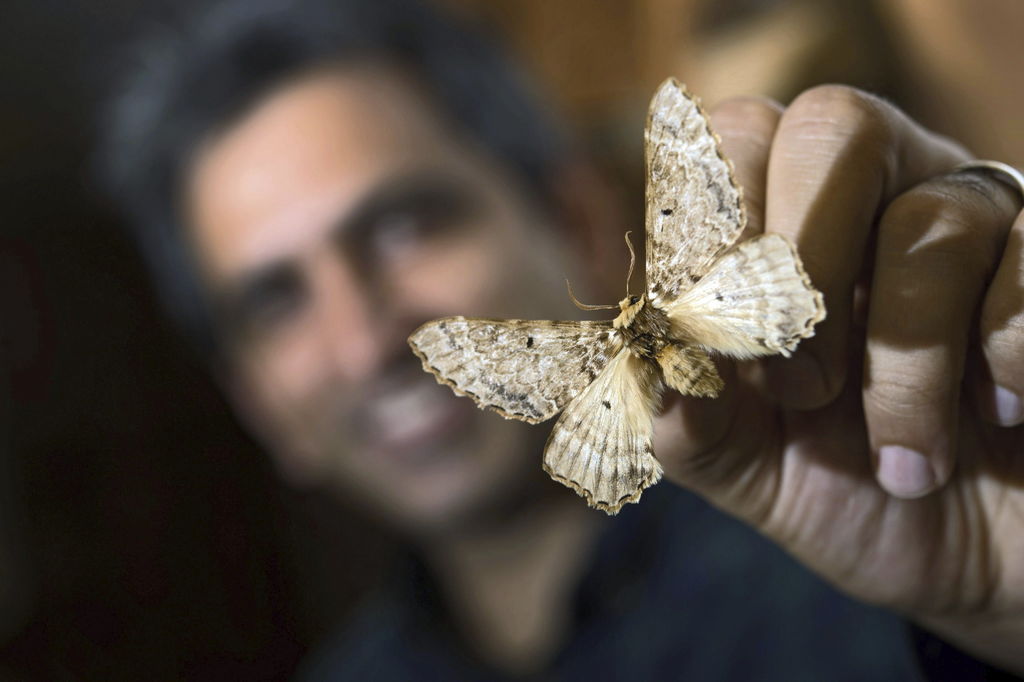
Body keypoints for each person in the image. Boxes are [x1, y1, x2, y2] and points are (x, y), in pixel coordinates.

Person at [100, 0, 1024, 678]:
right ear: (257, 402)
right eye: (276, 302)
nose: (363, 343)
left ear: (579, 224)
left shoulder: (875, 541)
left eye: (405, 228)